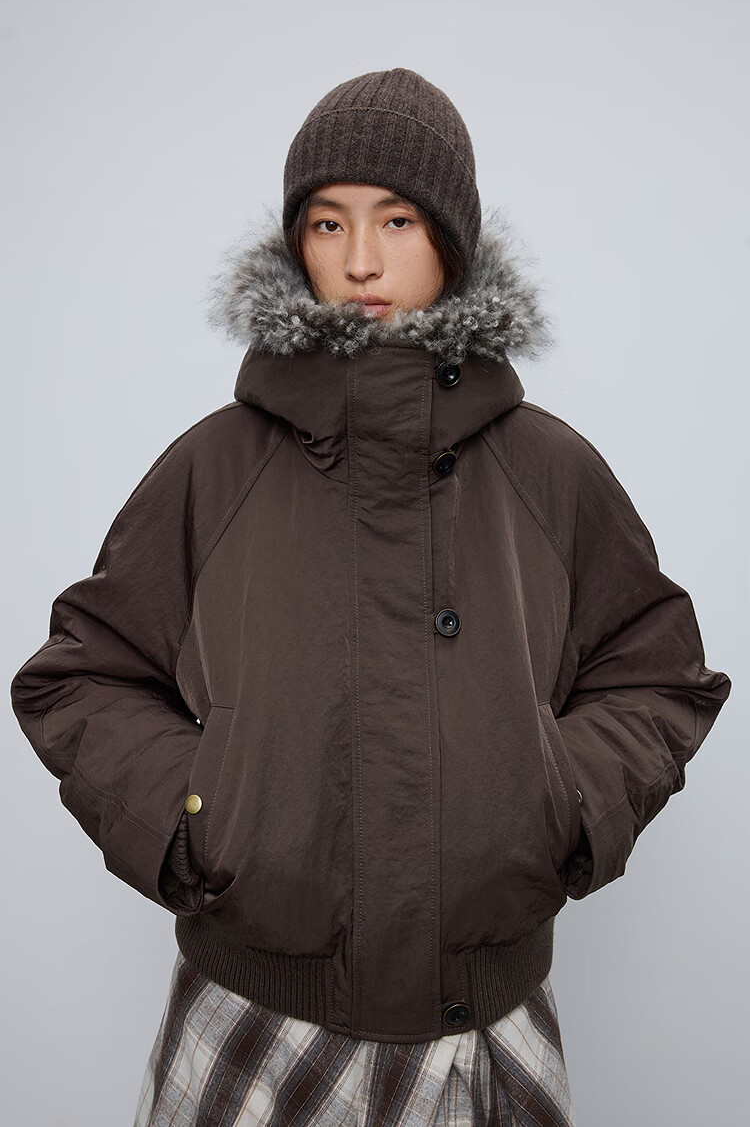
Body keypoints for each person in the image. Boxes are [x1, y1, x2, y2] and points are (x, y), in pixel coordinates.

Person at [10, 67, 731, 1127]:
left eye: (397, 220)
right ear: (295, 244)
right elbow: (81, 675)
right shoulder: (217, 466)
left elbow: (656, 673)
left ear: (453, 240)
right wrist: (196, 817)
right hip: (254, 1021)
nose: (358, 260)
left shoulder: (550, 472)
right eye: (327, 222)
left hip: (483, 1032)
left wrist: (561, 801)